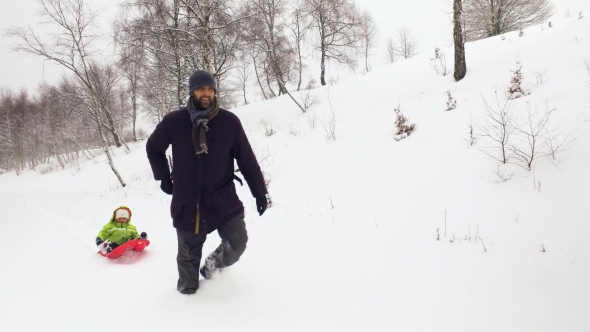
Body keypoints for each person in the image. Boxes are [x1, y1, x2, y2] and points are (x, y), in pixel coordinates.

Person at [146, 70, 268, 295]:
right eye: (202, 89)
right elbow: (154, 147)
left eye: (211, 89)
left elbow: (247, 159)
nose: (207, 93)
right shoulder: (174, 121)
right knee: (188, 254)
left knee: (237, 243)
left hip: (222, 197)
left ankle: (212, 267)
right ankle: (186, 296)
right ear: (192, 91)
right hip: (188, 200)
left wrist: (259, 192)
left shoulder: (229, 122)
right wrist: (163, 176)